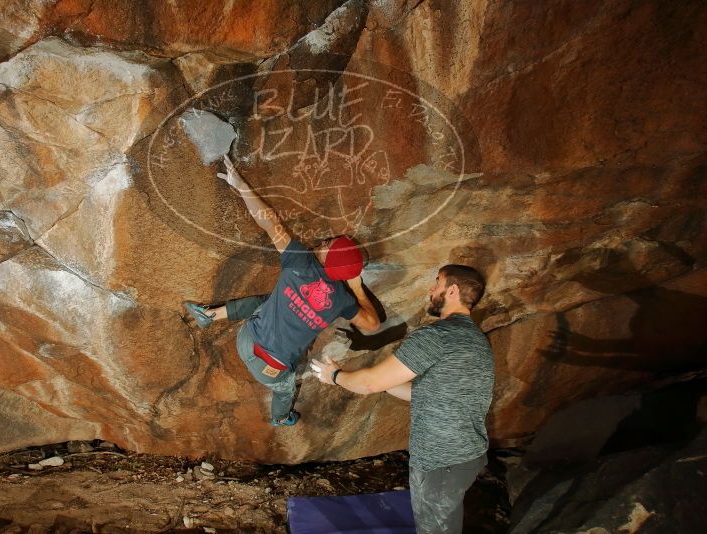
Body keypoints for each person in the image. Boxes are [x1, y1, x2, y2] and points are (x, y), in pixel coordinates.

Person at [185, 156, 381, 426]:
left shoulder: (300, 261)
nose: (323, 241)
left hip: (247, 340)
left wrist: (240, 184)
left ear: (328, 258)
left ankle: (211, 316)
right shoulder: (341, 300)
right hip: (270, 367)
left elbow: (271, 224)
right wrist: (357, 289)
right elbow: (372, 325)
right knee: (285, 388)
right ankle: (281, 418)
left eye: (327, 244)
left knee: (270, 302)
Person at [311, 265, 494, 533]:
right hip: (466, 456)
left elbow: (370, 383)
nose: (431, 290)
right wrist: (385, 382)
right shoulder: (477, 340)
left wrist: (335, 375)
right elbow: (422, 393)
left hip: (440, 462)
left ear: (452, 290)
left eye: (437, 283)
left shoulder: (436, 336)